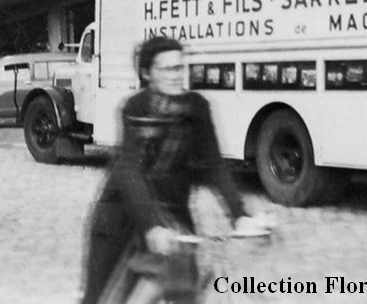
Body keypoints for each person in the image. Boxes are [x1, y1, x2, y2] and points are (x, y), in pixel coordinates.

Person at [81, 36, 263, 304]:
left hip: (171, 214)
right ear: (147, 74)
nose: (177, 76)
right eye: (167, 69)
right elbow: (130, 170)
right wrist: (153, 225)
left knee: (185, 290)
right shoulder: (135, 108)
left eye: (180, 68)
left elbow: (214, 166)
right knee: (100, 296)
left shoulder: (197, 108)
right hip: (121, 214)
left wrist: (239, 215)